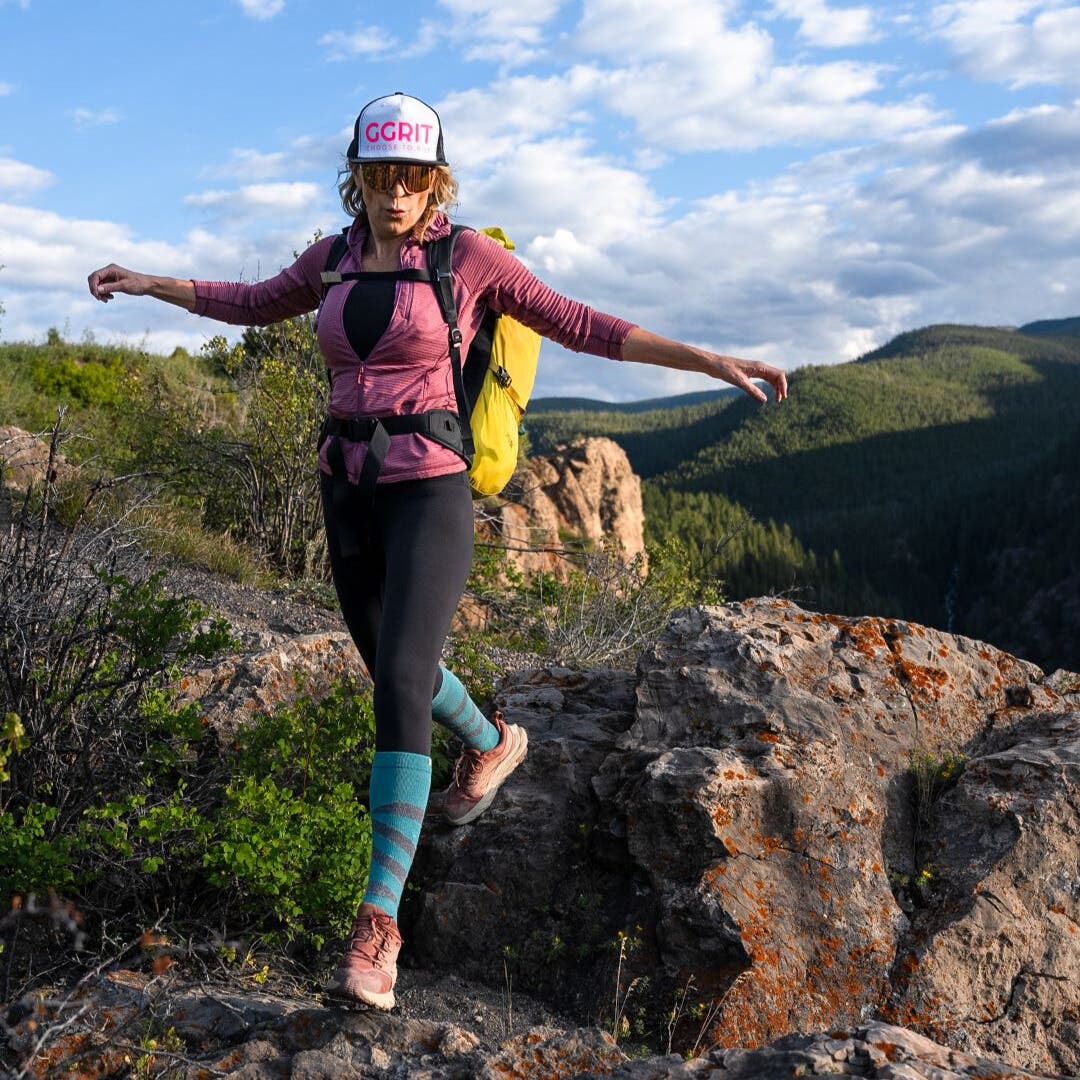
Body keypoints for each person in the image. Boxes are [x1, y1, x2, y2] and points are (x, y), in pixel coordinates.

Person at [88, 92, 788, 1012]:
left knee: (400, 680)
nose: (394, 193)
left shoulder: (469, 257)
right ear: (359, 176)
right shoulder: (333, 259)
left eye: (410, 177)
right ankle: (494, 740)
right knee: (389, 662)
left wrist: (706, 360)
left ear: (434, 176)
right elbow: (251, 303)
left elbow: (579, 321)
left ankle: (377, 927)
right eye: (379, 177)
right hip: (346, 487)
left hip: (430, 488)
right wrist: (152, 284)